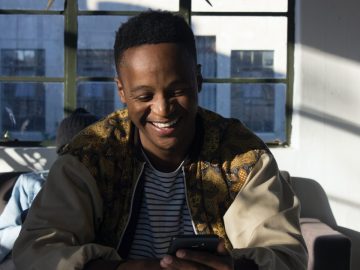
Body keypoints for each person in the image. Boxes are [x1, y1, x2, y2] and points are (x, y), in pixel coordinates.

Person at [13, 10, 307, 270]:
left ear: (198, 79)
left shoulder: (243, 156)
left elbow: (285, 255)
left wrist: (233, 268)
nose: (163, 109)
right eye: (144, 96)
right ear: (121, 90)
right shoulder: (90, 155)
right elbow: (37, 251)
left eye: (177, 90)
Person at [0, 108, 99, 267]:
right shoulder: (30, 183)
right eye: (75, 153)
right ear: (63, 152)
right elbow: (2, 238)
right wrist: (31, 230)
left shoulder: (106, 188)